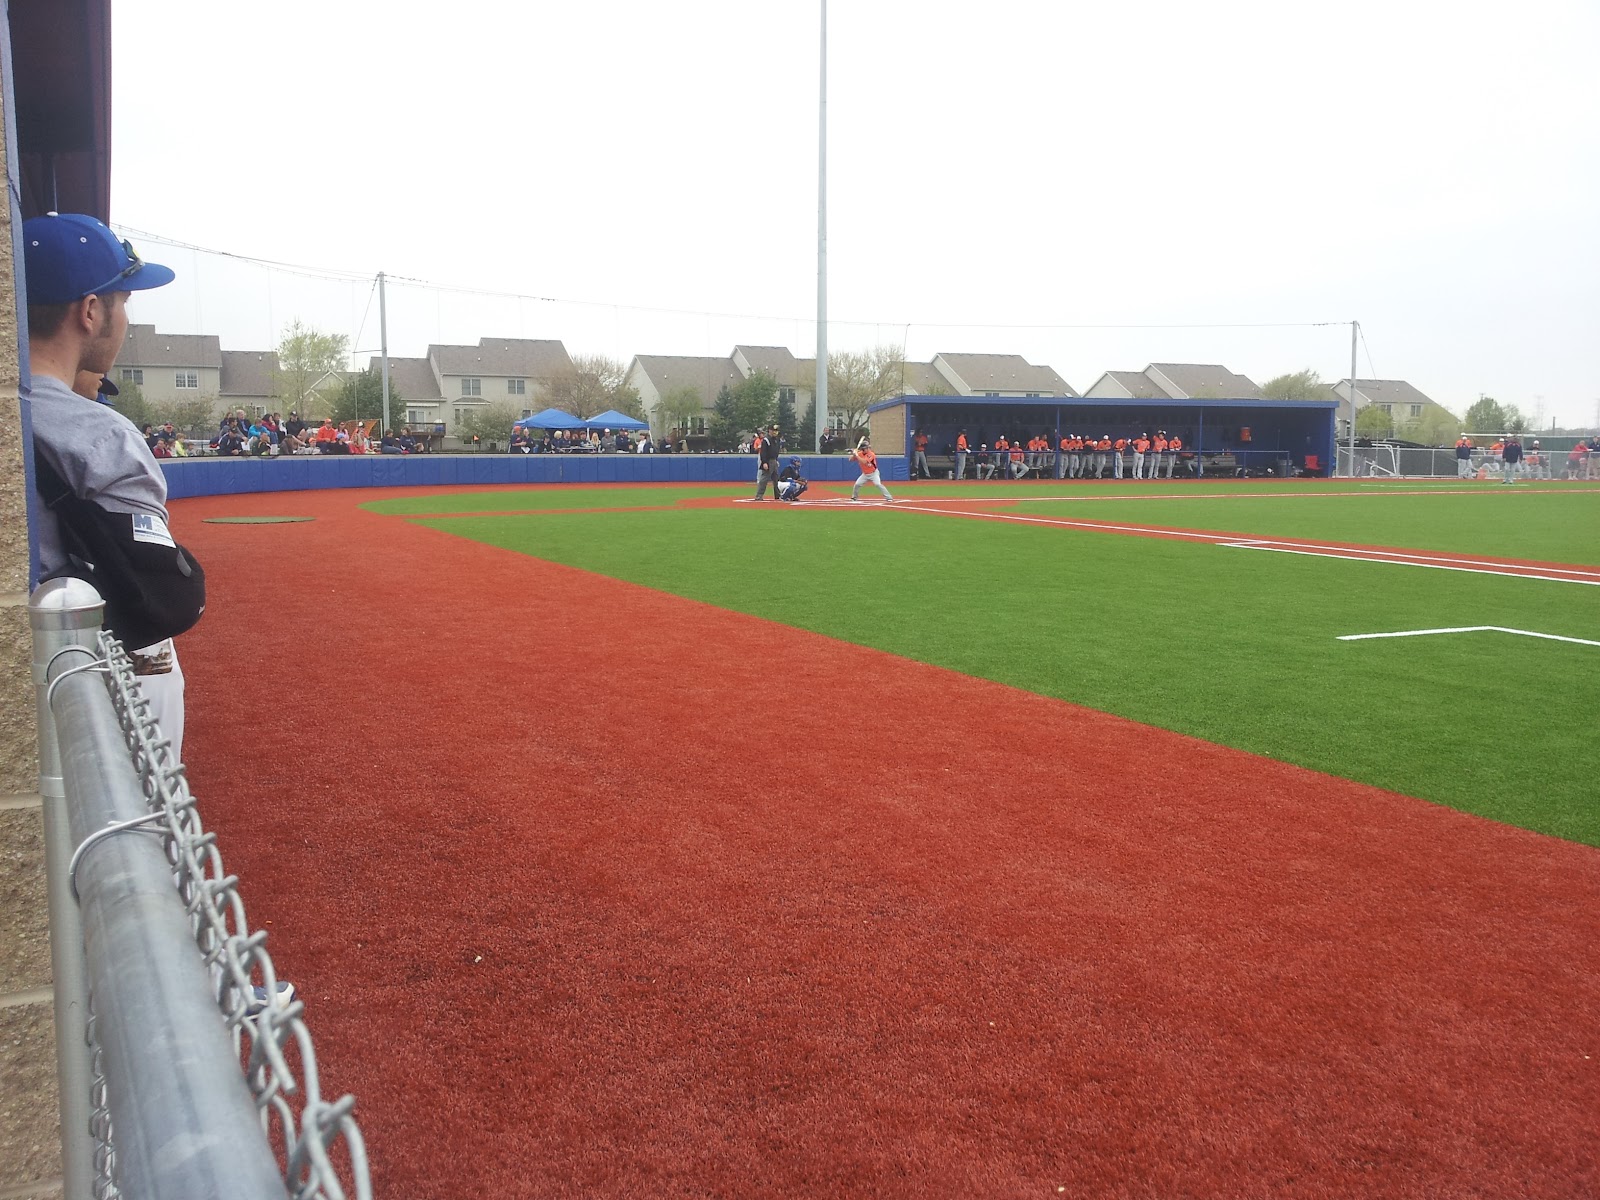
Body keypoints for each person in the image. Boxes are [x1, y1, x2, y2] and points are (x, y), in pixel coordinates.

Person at [23, 213, 193, 759]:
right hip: (93, 674)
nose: (124, 319)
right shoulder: (103, 434)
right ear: (91, 311)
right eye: (122, 302)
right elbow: (153, 588)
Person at [848, 437, 894, 502]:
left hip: (873, 473)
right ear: (862, 449)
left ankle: (889, 497)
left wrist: (857, 455)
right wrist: (854, 454)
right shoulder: (860, 453)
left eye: (867, 448)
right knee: (857, 484)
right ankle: (854, 497)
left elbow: (864, 462)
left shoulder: (871, 454)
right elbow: (850, 460)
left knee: (878, 484)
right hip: (865, 474)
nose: (868, 449)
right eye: (866, 448)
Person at [754, 423, 783, 501]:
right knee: (764, 479)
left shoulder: (777, 440)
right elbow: (763, 452)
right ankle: (759, 496)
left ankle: (777, 495)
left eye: (776, 430)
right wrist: (764, 462)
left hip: (774, 460)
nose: (775, 432)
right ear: (770, 430)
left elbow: (776, 451)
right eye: (773, 430)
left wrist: (776, 460)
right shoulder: (766, 440)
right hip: (768, 461)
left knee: (776, 479)